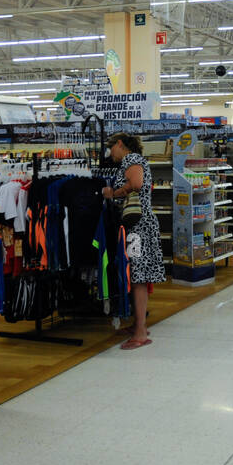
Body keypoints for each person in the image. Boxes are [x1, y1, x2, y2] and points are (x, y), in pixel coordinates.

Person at [100, 132, 164, 350]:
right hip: (141, 224)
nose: (111, 155)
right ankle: (139, 325)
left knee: (137, 276)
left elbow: (136, 183)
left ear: (120, 144)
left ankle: (140, 333)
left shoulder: (132, 159)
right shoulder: (135, 160)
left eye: (112, 149)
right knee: (138, 275)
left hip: (138, 226)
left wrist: (113, 193)